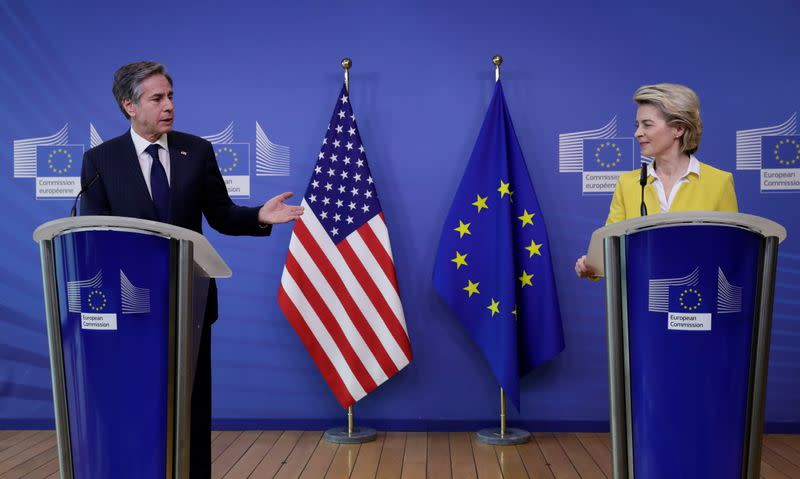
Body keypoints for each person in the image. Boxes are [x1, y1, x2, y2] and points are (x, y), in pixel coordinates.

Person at [79, 61, 303, 477]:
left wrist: (259, 216)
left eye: (171, 96)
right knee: (135, 403)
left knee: (192, 406)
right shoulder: (100, 161)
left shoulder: (195, 150)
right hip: (131, 309)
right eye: (157, 98)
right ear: (129, 105)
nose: (169, 106)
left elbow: (219, 214)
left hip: (190, 304)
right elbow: (96, 236)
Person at [575, 83, 738, 278]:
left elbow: (731, 254)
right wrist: (592, 266)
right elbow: (609, 250)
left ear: (678, 128)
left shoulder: (719, 182)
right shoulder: (627, 184)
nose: (637, 133)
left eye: (647, 124)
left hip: (696, 298)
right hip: (640, 301)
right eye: (637, 125)